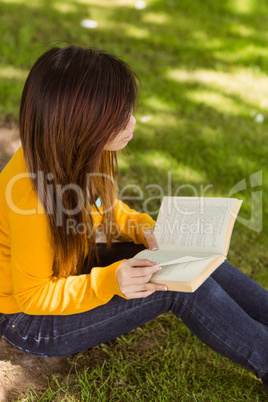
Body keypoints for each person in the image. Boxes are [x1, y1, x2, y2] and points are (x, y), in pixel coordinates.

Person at [0, 45, 267, 392]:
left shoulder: (68, 153)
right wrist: (109, 282)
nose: (133, 123)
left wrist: (141, 227)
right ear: (81, 126)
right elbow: (34, 296)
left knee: (185, 252)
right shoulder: (30, 196)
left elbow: (104, 207)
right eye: (119, 117)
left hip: (66, 270)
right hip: (29, 320)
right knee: (171, 289)